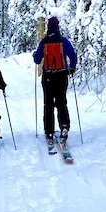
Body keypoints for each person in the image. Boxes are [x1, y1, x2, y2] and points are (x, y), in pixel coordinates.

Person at [33, 16, 77, 149]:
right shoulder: (63, 41)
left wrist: (35, 54)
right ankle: (64, 126)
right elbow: (73, 56)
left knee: (48, 105)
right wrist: (72, 67)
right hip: (62, 75)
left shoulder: (44, 41)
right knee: (62, 102)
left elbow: (37, 60)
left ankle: (50, 132)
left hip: (48, 77)